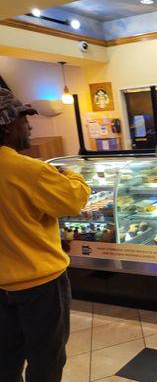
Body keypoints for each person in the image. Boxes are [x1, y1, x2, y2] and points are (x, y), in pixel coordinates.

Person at [0, 88, 91, 382]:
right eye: (24, 120)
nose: (30, 127)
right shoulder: (28, 169)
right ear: (7, 126)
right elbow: (73, 200)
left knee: (5, 357)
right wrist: (71, 173)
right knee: (46, 357)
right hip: (39, 283)